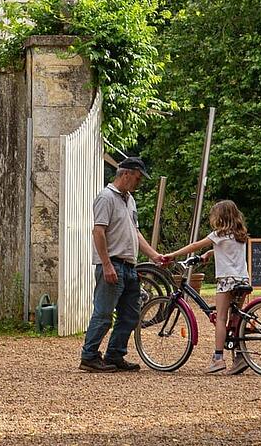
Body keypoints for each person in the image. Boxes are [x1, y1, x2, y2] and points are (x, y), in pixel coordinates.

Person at [79, 156, 162, 373]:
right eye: (137, 178)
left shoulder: (129, 200)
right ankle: (89, 356)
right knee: (104, 313)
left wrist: (154, 255)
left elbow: (135, 232)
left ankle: (115, 354)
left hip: (128, 265)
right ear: (125, 174)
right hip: (113, 263)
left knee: (130, 314)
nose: (139, 182)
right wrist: (106, 264)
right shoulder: (106, 197)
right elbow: (98, 231)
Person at [162, 200, 251, 375]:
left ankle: (218, 359)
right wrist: (210, 253)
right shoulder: (240, 235)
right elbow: (230, 251)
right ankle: (240, 357)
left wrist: (172, 254)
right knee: (236, 320)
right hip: (242, 280)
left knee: (220, 318)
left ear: (221, 217)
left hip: (226, 281)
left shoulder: (218, 234)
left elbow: (195, 246)